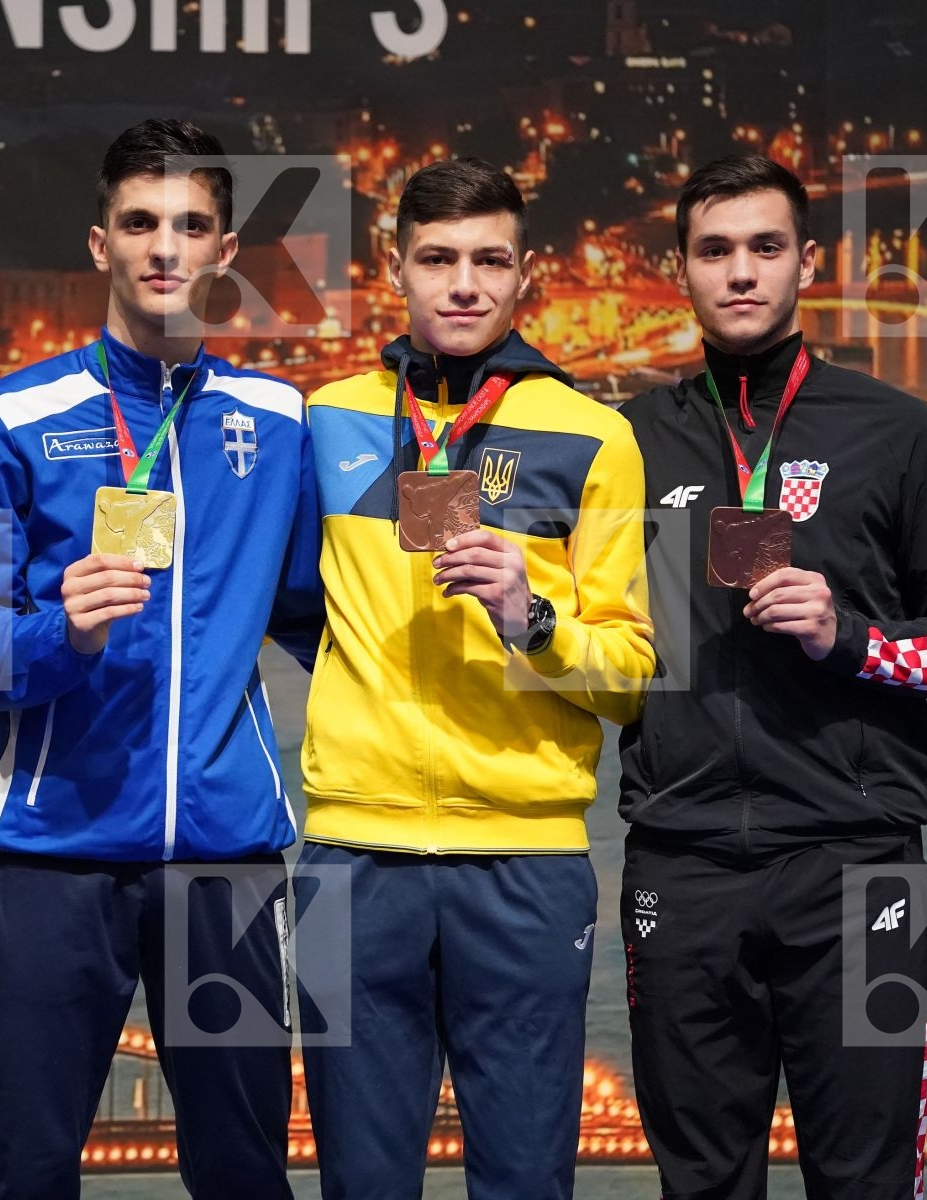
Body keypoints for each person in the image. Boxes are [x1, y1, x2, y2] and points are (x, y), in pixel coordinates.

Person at [617, 153, 927, 1200]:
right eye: (713, 251)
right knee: (700, 1184)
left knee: (867, 1180)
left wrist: (848, 634)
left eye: (762, 247)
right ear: (681, 272)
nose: (738, 272)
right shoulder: (625, 441)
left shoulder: (896, 432)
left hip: (859, 870)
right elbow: (586, 642)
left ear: (805, 261)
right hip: (680, 867)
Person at [0, 118, 320, 1200]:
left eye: (190, 225)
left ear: (223, 252)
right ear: (98, 243)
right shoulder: (5, 417)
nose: (165, 247)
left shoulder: (277, 420)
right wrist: (56, 637)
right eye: (140, 223)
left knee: (246, 1168)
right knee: (22, 1169)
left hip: (227, 859)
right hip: (55, 854)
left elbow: (313, 616)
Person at [297, 157, 655, 1200]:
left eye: (488, 261)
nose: (462, 284)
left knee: (525, 1181)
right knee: (357, 1185)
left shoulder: (597, 436)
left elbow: (630, 678)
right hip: (346, 855)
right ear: (392, 266)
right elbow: (283, 601)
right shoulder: (323, 419)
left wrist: (533, 622)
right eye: (437, 258)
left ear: (524, 273)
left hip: (526, 862)